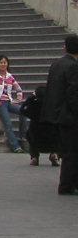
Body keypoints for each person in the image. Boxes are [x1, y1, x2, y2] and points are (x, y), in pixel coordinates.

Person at [43, 33, 78, 195]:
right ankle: (67, 185)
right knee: (72, 152)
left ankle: (70, 183)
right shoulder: (73, 66)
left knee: (68, 151)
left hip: (56, 114)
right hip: (70, 116)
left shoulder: (56, 64)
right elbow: (73, 94)